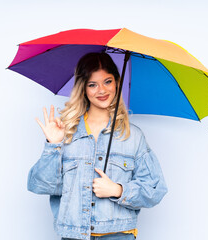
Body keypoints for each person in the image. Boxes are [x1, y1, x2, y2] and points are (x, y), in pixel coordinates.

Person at [27, 52, 168, 240]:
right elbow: (39, 186)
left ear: (117, 83)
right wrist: (54, 145)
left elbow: (155, 189)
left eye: (107, 81)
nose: (101, 90)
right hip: (74, 235)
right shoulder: (66, 132)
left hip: (117, 235)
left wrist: (118, 190)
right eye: (92, 84)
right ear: (83, 89)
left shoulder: (133, 136)